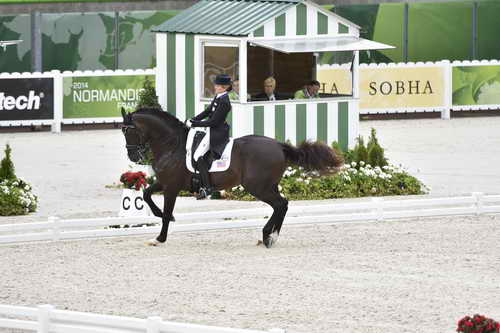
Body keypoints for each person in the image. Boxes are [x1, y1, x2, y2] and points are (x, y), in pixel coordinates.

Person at [187, 74, 232, 200]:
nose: (215, 87)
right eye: (216, 84)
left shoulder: (225, 102)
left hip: (218, 132)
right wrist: (193, 119)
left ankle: (207, 187)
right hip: (211, 130)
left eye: (217, 85)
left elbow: (214, 122)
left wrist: (195, 124)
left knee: (198, 156)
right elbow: (207, 112)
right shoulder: (218, 96)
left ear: (224, 87)